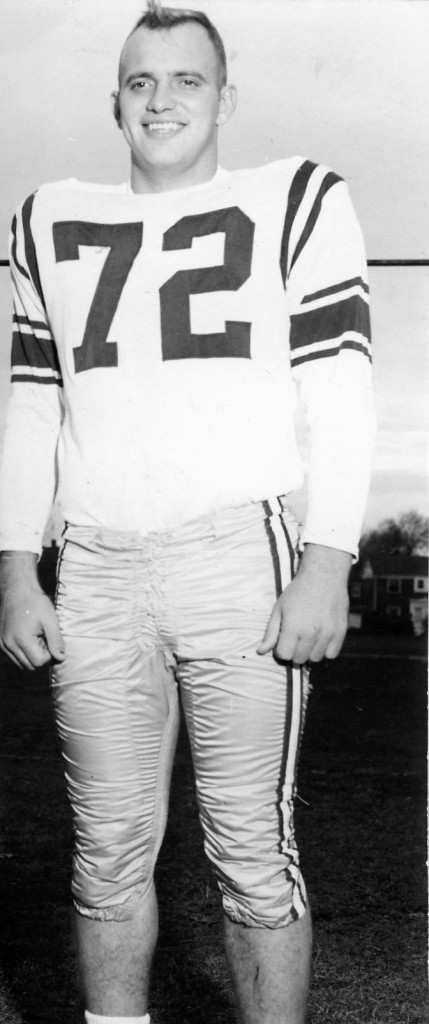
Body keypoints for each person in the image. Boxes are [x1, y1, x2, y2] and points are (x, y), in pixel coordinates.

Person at [0, 3, 376, 1022]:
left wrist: (328, 560)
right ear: (115, 100)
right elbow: (33, 401)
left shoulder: (296, 198)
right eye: (139, 81)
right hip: (95, 561)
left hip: (237, 552)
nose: (161, 100)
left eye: (186, 80)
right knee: (105, 851)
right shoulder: (45, 218)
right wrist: (16, 566)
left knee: (251, 848)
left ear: (225, 99)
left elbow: (340, 392)